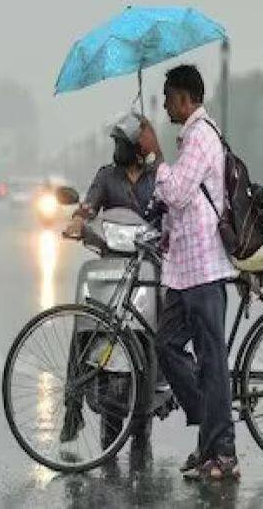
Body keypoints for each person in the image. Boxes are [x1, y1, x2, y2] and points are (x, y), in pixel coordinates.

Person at [138, 64, 239, 482]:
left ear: (184, 99)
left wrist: (154, 155)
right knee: (166, 346)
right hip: (182, 268)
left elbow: (178, 192)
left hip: (203, 267)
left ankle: (225, 452)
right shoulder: (191, 139)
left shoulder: (200, 137)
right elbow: (180, 198)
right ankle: (208, 429)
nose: (163, 105)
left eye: (167, 97)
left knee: (212, 361)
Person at [59, 112, 158, 443]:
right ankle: (72, 404)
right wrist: (78, 221)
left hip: (148, 268)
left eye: (122, 143)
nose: (116, 148)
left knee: (162, 330)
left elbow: (169, 215)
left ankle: (160, 385)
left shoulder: (158, 178)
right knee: (83, 328)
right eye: (115, 142)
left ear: (137, 147)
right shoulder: (106, 177)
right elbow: (88, 207)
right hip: (110, 268)